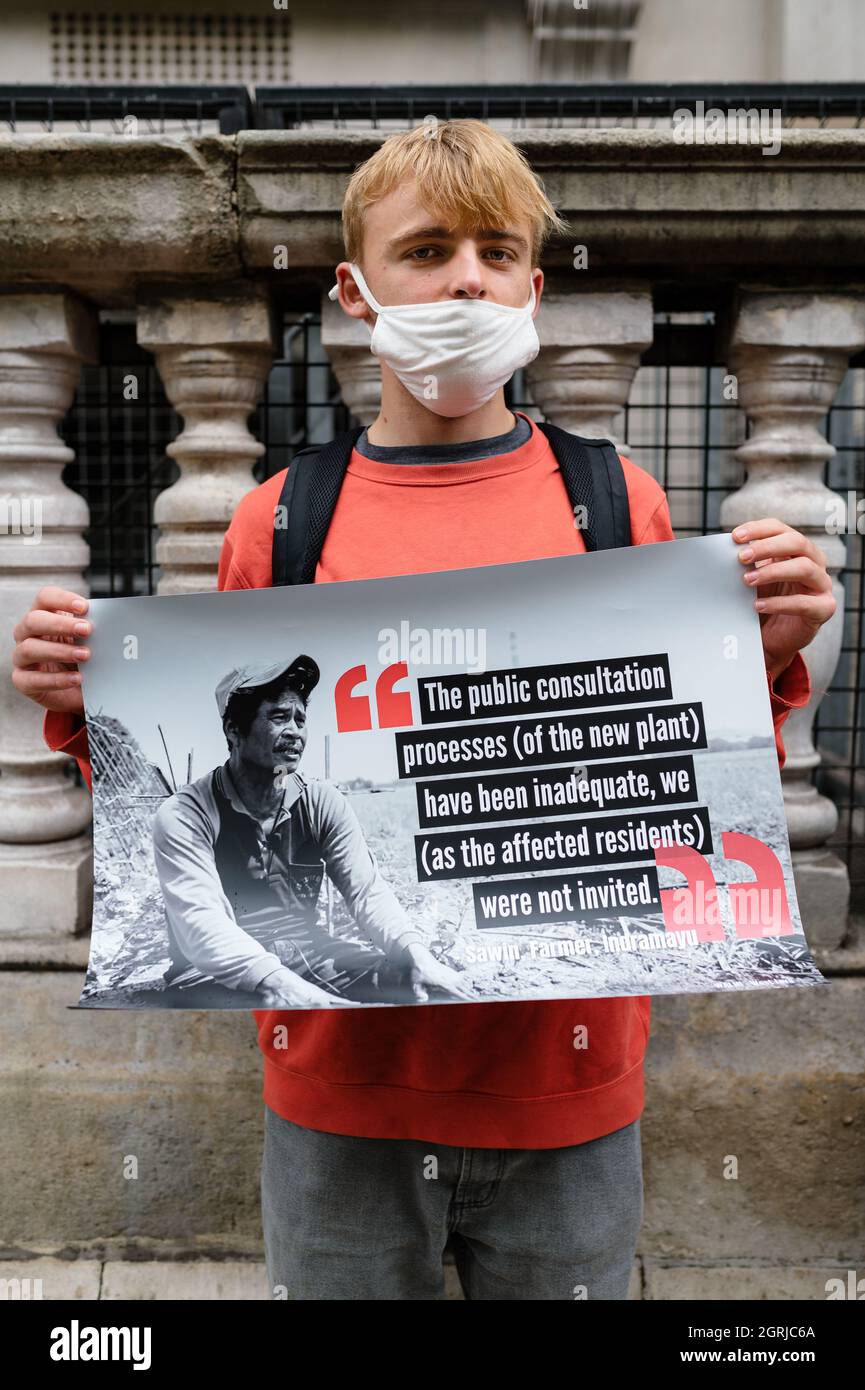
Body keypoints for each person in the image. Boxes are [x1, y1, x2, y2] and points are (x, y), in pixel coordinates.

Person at [12, 118, 833, 1300]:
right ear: (356, 290)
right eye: (428, 248)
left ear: (534, 289)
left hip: (569, 1096)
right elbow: (211, 799)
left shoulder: (619, 502)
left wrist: (768, 656)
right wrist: (88, 704)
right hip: (340, 1102)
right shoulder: (279, 522)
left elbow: (672, 773)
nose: (466, 277)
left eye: (497, 252)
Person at [148, 653, 471, 1009]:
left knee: (420, 985)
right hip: (215, 971)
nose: (295, 731)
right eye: (278, 716)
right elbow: (201, 925)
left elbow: (368, 893)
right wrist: (280, 986)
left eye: (300, 719)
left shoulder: (322, 803)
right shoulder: (186, 814)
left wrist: (414, 952)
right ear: (233, 730)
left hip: (311, 954)